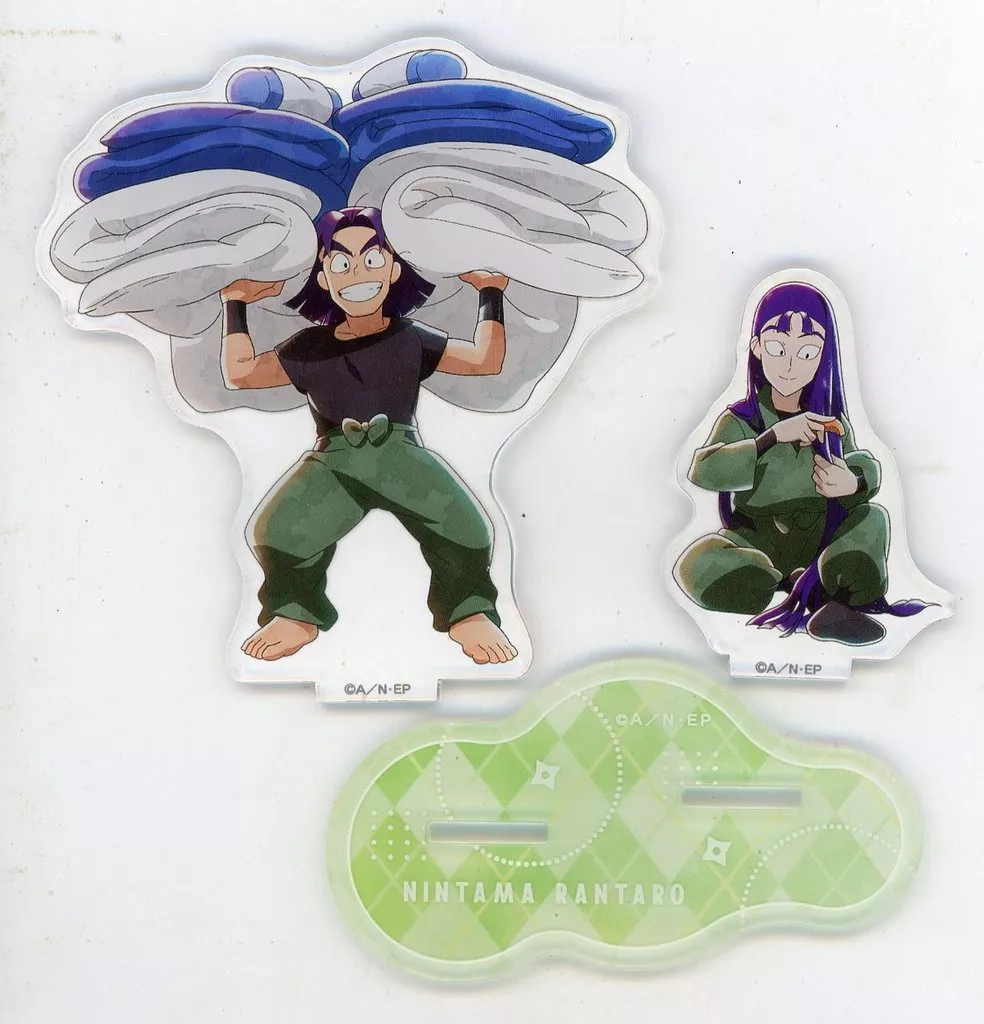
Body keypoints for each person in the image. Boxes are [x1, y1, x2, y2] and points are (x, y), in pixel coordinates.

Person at [219, 206, 518, 665]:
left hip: (400, 453)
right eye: (341, 262)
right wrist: (235, 303)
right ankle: (294, 613)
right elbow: (240, 373)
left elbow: (484, 361)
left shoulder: (410, 337)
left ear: (393, 269)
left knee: (467, 528)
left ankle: (469, 612)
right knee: (275, 529)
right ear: (324, 278)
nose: (357, 273)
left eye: (372, 259)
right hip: (333, 460)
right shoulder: (309, 346)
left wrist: (491, 293)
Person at [674, 280, 926, 646]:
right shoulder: (742, 419)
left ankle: (837, 602)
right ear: (757, 347)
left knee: (873, 518)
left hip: (821, 541)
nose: (790, 365)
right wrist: (771, 437)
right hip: (755, 540)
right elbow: (702, 470)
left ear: (824, 355)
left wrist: (851, 481)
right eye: (777, 348)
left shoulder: (829, 420)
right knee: (695, 564)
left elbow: (865, 465)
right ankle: (785, 587)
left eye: (807, 352)